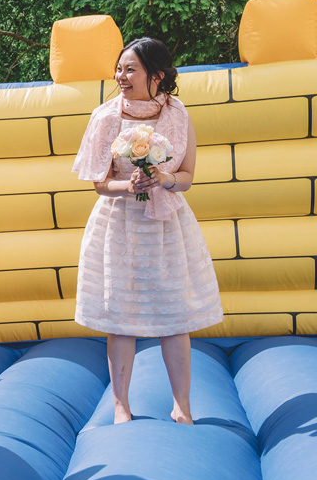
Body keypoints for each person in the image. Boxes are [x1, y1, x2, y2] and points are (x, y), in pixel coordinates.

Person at [71, 37, 223, 425]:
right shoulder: (105, 117)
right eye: (119, 69)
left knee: (174, 314)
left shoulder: (178, 113)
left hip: (166, 224)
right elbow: (99, 182)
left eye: (130, 69)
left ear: (156, 75)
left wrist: (163, 177)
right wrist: (130, 186)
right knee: (120, 315)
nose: (121, 76)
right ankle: (121, 405)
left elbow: (187, 177)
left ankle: (182, 406)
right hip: (118, 224)